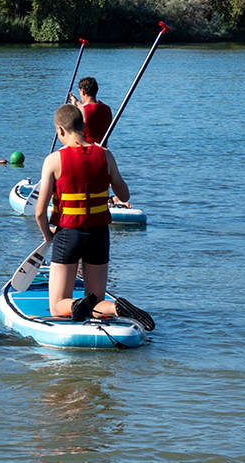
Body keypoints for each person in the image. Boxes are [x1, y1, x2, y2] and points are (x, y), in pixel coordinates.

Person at [32, 104, 154, 328]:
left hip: (68, 235)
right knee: (97, 301)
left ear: (60, 130)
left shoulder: (54, 160)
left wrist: (47, 235)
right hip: (99, 235)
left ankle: (76, 304)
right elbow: (124, 195)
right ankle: (116, 308)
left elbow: (39, 212)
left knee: (57, 305)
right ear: (83, 126)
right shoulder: (105, 155)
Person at [68, 76, 113, 146]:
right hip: (102, 148)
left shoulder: (81, 110)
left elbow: (73, 130)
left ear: (83, 92)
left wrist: (74, 106)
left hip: (85, 149)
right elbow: (91, 109)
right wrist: (77, 102)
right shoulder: (107, 109)